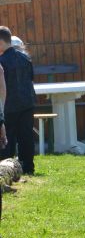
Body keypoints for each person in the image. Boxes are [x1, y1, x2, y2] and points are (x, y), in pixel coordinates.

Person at [0, 27, 36, 174]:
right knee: (26, 136)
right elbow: (31, 78)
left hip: (9, 105)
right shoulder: (25, 57)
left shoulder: (1, 61)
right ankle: (28, 167)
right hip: (28, 102)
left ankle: (6, 169)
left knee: (6, 139)